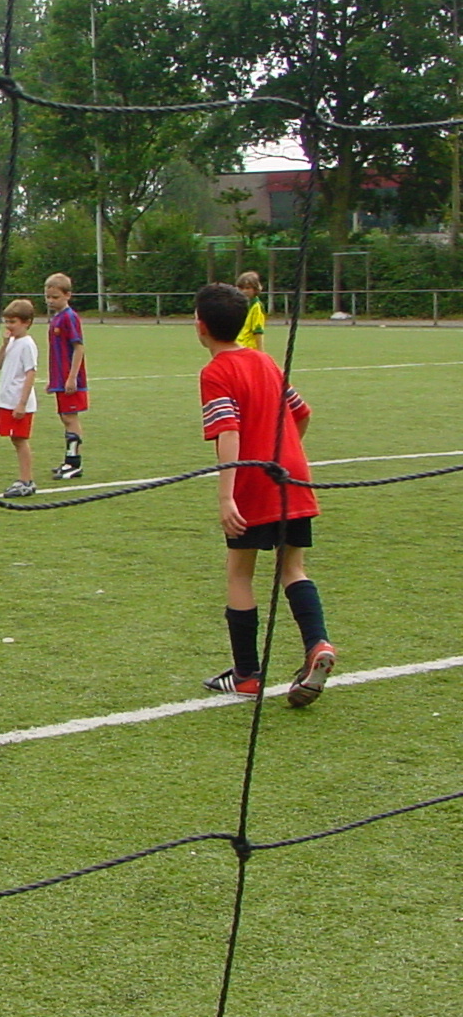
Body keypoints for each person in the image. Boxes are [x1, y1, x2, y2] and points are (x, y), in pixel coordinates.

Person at [194, 281, 334, 705]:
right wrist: (289, 453)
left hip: (253, 480)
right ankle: (318, 645)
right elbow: (302, 412)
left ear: (200, 327)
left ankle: (247, 675)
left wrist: (226, 496)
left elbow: (228, 431)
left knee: (240, 571)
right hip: (292, 475)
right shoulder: (266, 361)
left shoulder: (215, 372)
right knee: (293, 567)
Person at [0, 298, 39, 497]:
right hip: (6, 399)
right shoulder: (12, 342)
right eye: (7, 322)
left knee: (20, 440)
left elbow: (31, 373)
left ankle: (26, 480)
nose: (9, 326)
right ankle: (24, 479)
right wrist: (3, 345)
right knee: (14, 439)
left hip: (18, 401)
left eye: (13, 322)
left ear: (26, 322)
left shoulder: (27, 344)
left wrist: (21, 403)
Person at [44, 272, 88, 480]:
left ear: (67, 295)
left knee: (71, 417)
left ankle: (75, 462)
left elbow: (78, 348)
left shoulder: (70, 317)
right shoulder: (56, 318)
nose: (51, 301)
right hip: (60, 379)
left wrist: (72, 377)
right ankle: (69, 460)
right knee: (65, 417)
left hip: (71, 379)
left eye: (55, 297)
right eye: (48, 297)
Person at [236, 270, 267, 350]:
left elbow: (258, 331)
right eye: (241, 288)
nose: (244, 291)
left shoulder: (256, 307)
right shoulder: (239, 304)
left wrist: (261, 352)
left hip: (249, 348)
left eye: (248, 288)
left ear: (255, 289)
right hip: (237, 345)